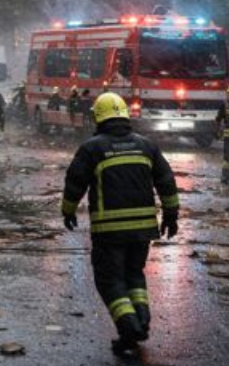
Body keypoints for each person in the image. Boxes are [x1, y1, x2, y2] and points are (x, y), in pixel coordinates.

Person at [62, 92, 179, 356]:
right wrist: (171, 215)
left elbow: (75, 182)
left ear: (98, 117)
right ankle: (142, 319)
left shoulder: (92, 148)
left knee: (109, 280)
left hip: (109, 231)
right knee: (134, 274)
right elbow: (166, 181)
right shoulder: (147, 145)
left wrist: (67, 210)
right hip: (143, 229)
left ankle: (129, 327)